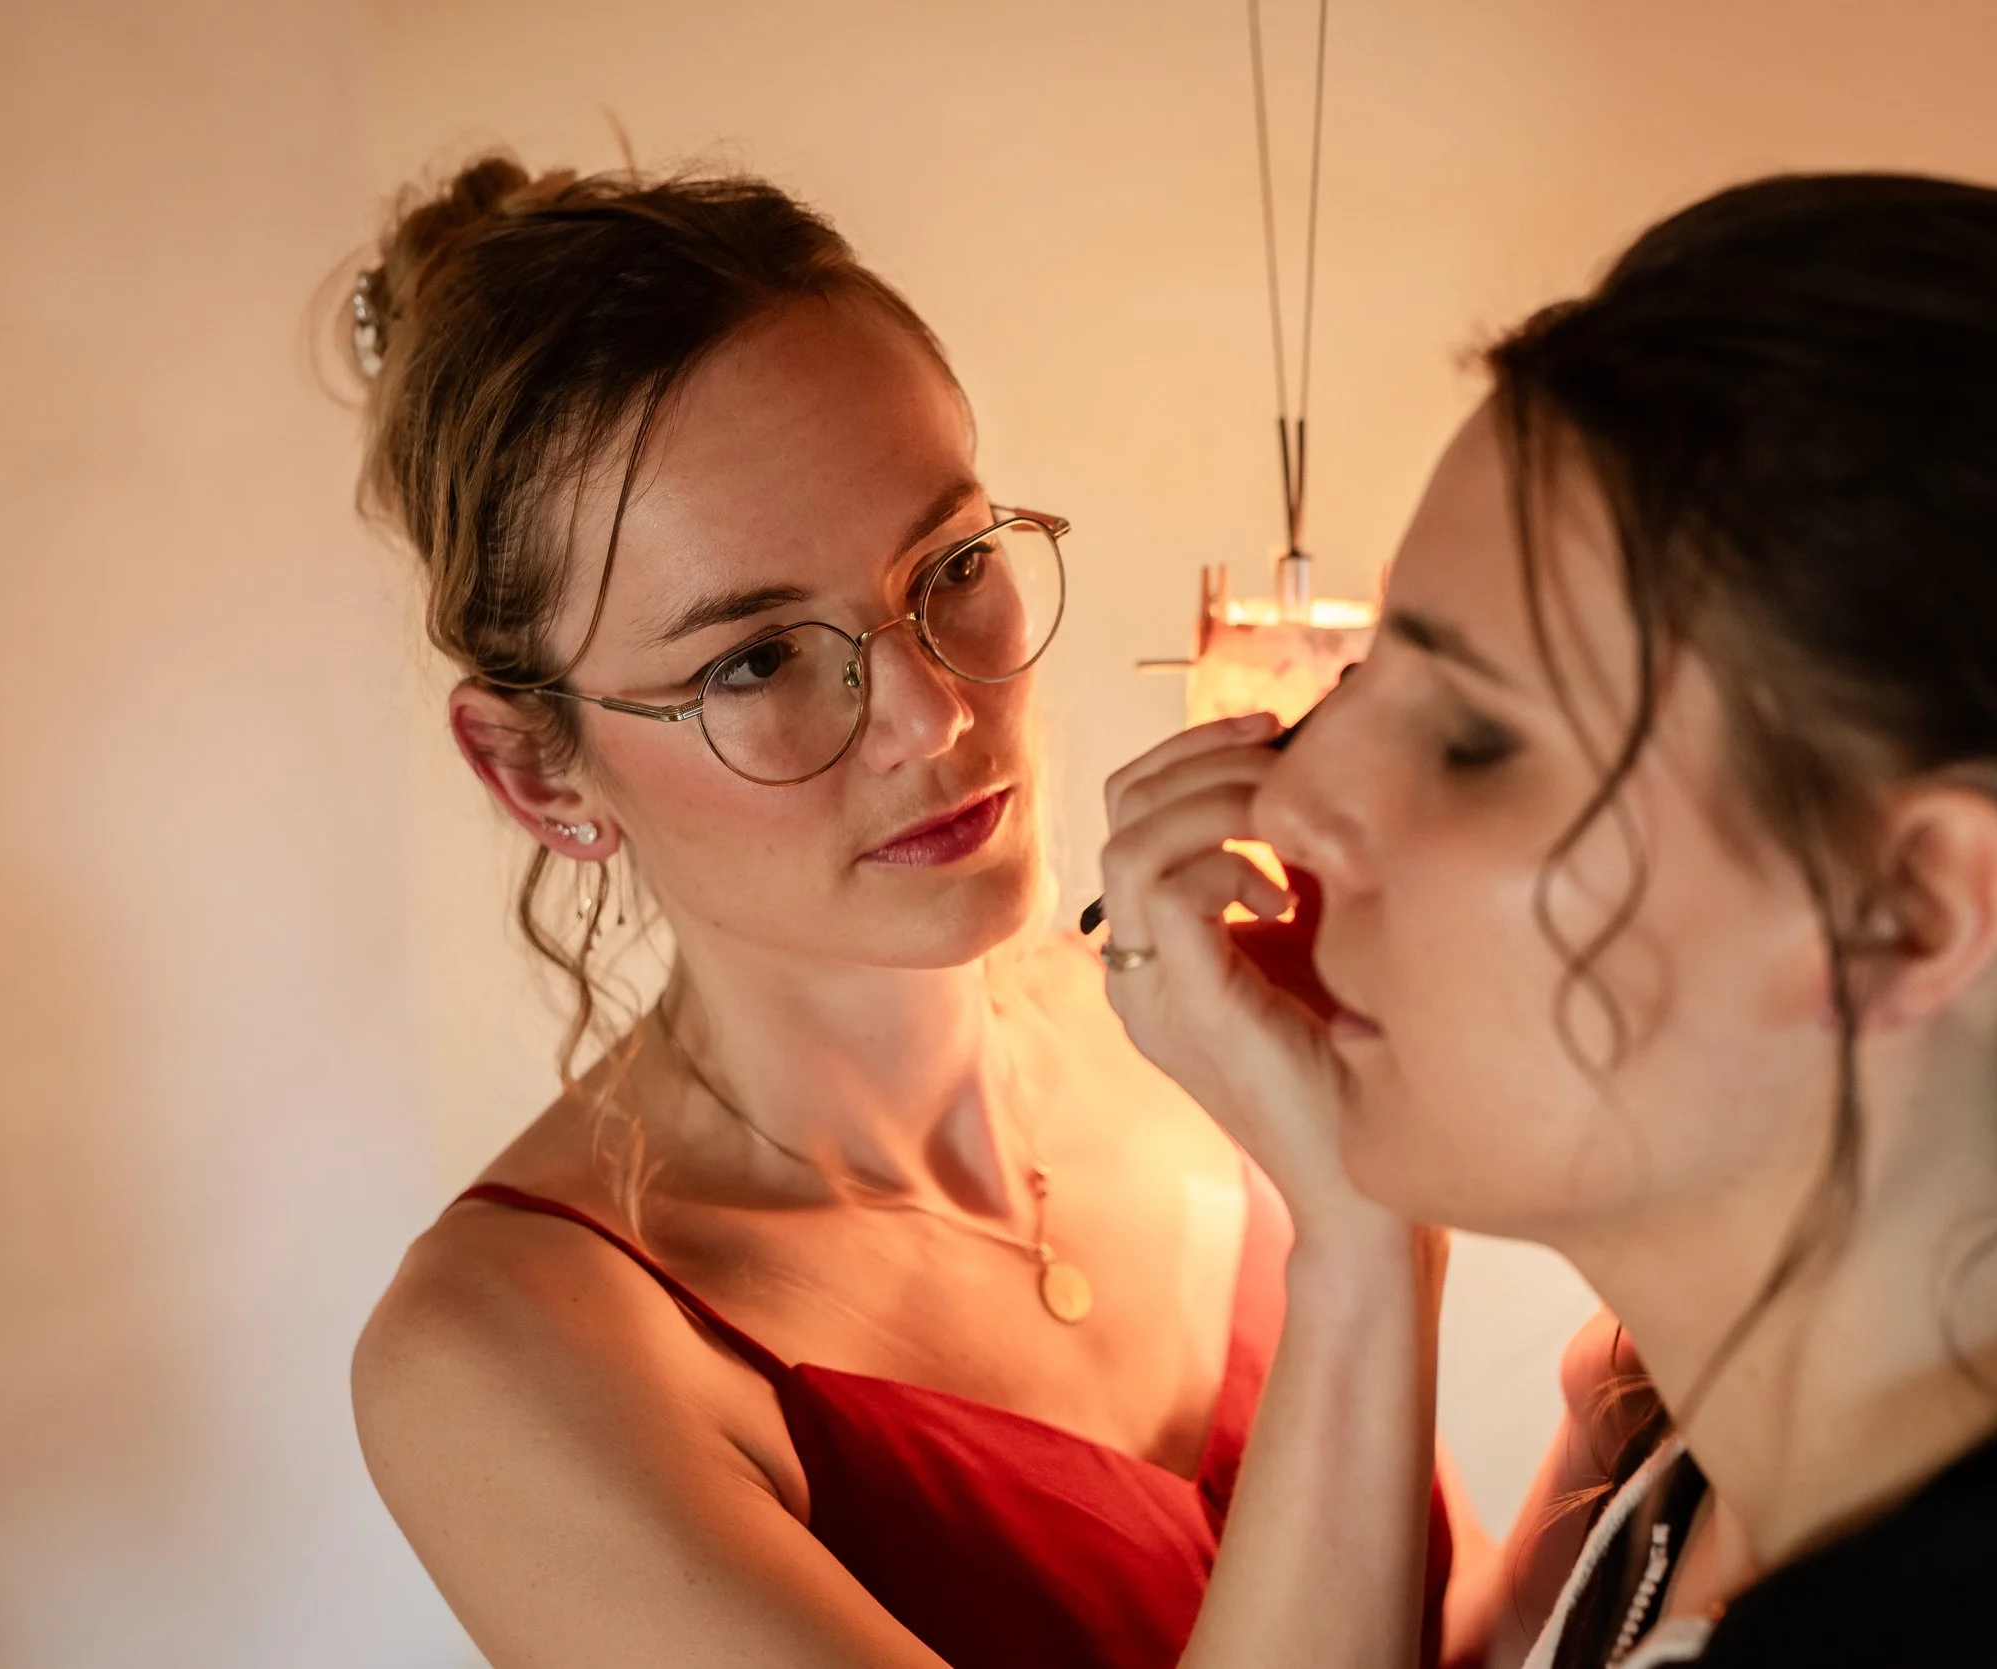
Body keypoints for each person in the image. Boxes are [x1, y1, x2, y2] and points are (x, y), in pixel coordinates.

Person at [1098, 173, 1997, 1667]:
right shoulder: (1720, 1436)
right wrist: (1354, 1227)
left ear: (1913, 915)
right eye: (1360, 686)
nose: (1291, 807)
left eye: (1476, 735)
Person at [344, 156, 1533, 1668]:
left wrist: (1642, 1371)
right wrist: (1370, 1241)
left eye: (954, 566)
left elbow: (1461, 1638)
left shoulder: (1205, 1034)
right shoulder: (511, 1356)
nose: (931, 710)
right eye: (755, 662)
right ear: (533, 771)